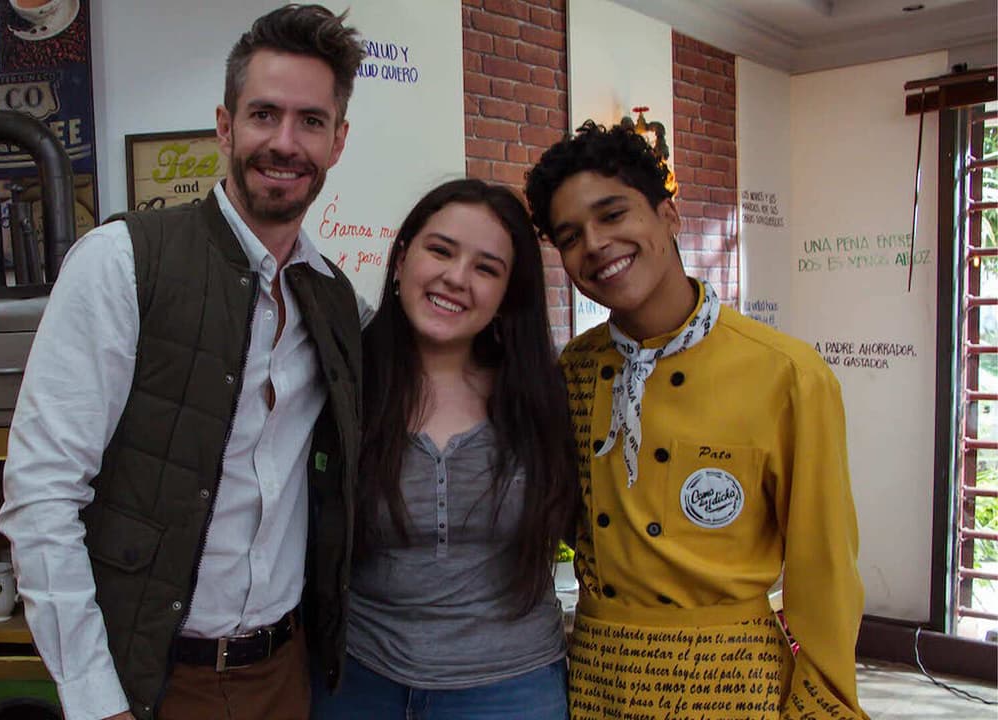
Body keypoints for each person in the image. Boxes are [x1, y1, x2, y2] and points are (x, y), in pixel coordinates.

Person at [0, 6, 365, 720]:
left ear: (337, 141)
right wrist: (95, 699)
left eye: (311, 121)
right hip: (156, 684)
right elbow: (41, 493)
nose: (284, 142)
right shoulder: (123, 260)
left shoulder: (332, 299)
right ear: (225, 126)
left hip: (286, 675)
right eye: (264, 114)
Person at [524, 121, 869, 719]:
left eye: (613, 214)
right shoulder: (573, 372)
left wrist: (825, 707)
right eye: (570, 236)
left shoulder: (786, 374)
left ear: (669, 215)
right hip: (599, 681)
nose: (596, 244)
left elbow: (826, 572)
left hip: (731, 682)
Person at [311, 178, 577, 720]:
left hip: (511, 692)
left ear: (507, 295)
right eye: (440, 251)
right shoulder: (342, 384)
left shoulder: (541, 396)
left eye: (486, 268)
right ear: (402, 259)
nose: (456, 278)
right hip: (359, 682)